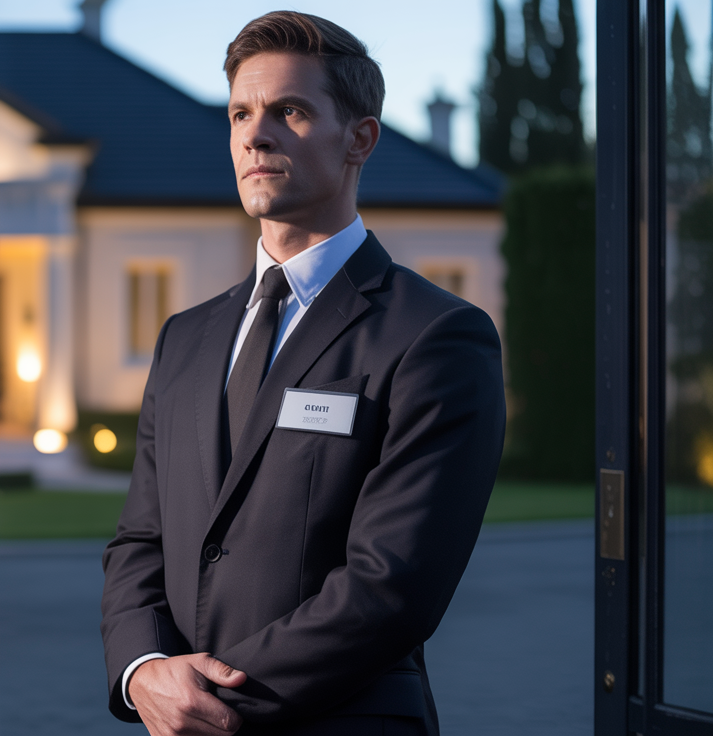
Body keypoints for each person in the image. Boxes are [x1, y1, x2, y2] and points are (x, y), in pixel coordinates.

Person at [99, 11, 506, 736]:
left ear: (361, 138)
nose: (255, 135)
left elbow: (392, 587)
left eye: (289, 111)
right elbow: (139, 543)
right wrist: (141, 674)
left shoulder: (436, 336)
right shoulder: (184, 339)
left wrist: (205, 704)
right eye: (240, 114)